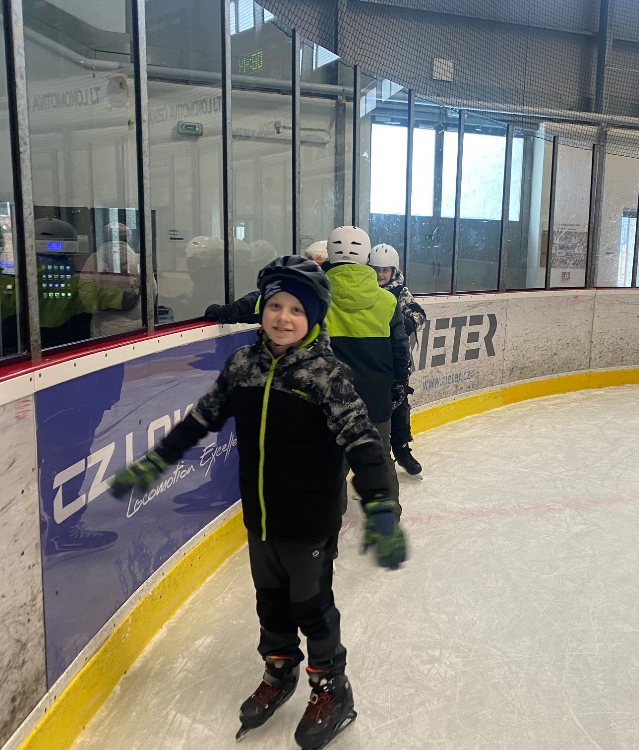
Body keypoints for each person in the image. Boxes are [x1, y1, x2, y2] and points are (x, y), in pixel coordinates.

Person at [109, 256, 406, 748]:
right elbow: (202, 417)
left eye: (296, 309)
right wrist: (159, 459)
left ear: (314, 316)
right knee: (270, 601)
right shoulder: (243, 366)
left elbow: (362, 442)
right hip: (261, 516)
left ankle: (332, 687)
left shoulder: (327, 375)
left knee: (312, 606)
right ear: (262, 309)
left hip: (309, 519)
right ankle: (279, 667)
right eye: (275, 305)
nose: (283, 317)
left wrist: (379, 503)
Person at [321, 226, 409, 504]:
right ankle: (387, 517)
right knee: (379, 459)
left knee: (331, 464)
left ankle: (329, 525)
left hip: (332, 399)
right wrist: (399, 386)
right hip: (376, 397)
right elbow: (400, 350)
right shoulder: (388, 300)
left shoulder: (317, 297)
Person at [368, 243, 426, 476]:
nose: (380, 275)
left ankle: (401, 449)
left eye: (385, 270)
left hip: (395, 361)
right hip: (369, 358)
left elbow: (418, 313)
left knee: (400, 407)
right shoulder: (363, 291)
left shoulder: (399, 291)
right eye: (376, 269)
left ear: (394, 271)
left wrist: (407, 324)